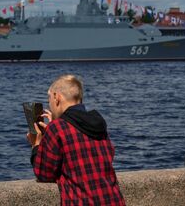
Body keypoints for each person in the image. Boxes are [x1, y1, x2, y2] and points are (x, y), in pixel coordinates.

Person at [26, 74, 125, 205]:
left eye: (49, 99)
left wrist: (36, 145)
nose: (49, 105)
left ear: (57, 97)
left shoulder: (57, 128)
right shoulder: (98, 122)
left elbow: (44, 173)